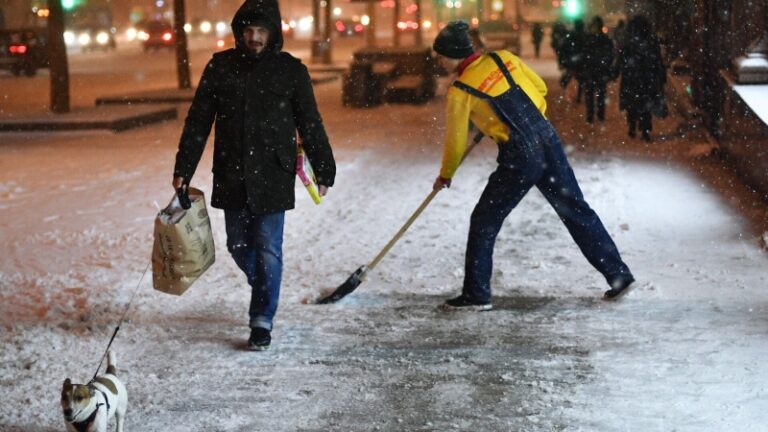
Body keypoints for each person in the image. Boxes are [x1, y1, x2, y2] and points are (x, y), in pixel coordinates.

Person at [431, 21, 636, 310]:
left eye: (440, 56)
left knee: (484, 221)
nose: (438, 61)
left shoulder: (461, 90)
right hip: (547, 139)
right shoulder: (504, 58)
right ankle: (618, 276)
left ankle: (477, 294)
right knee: (576, 209)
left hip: (520, 155)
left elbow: (455, 141)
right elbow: (539, 88)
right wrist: (527, 123)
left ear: (453, 55)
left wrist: (445, 175)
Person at [172, 0, 336, 350]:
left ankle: (262, 320)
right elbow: (199, 120)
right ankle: (266, 286)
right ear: (238, 33)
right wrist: (183, 169)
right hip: (232, 171)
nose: (254, 37)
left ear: (273, 33)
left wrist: (324, 167)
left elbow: (310, 122)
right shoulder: (221, 67)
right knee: (237, 244)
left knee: (268, 248)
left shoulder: (290, 71)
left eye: (261, 31)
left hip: (273, 173)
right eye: (248, 31)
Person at [618, 15, 666, 141]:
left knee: (632, 105)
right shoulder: (650, 42)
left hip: (632, 79)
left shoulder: (629, 42)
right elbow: (657, 61)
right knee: (645, 106)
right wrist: (660, 76)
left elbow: (622, 60)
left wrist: (618, 70)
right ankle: (645, 130)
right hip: (646, 79)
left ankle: (632, 127)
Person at [581, 16, 615, 123]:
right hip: (599, 71)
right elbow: (610, 55)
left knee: (592, 95)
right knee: (598, 95)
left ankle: (592, 116)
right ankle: (598, 115)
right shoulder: (604, 39)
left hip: (593, 71)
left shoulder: (589, 39)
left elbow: (584, 55)